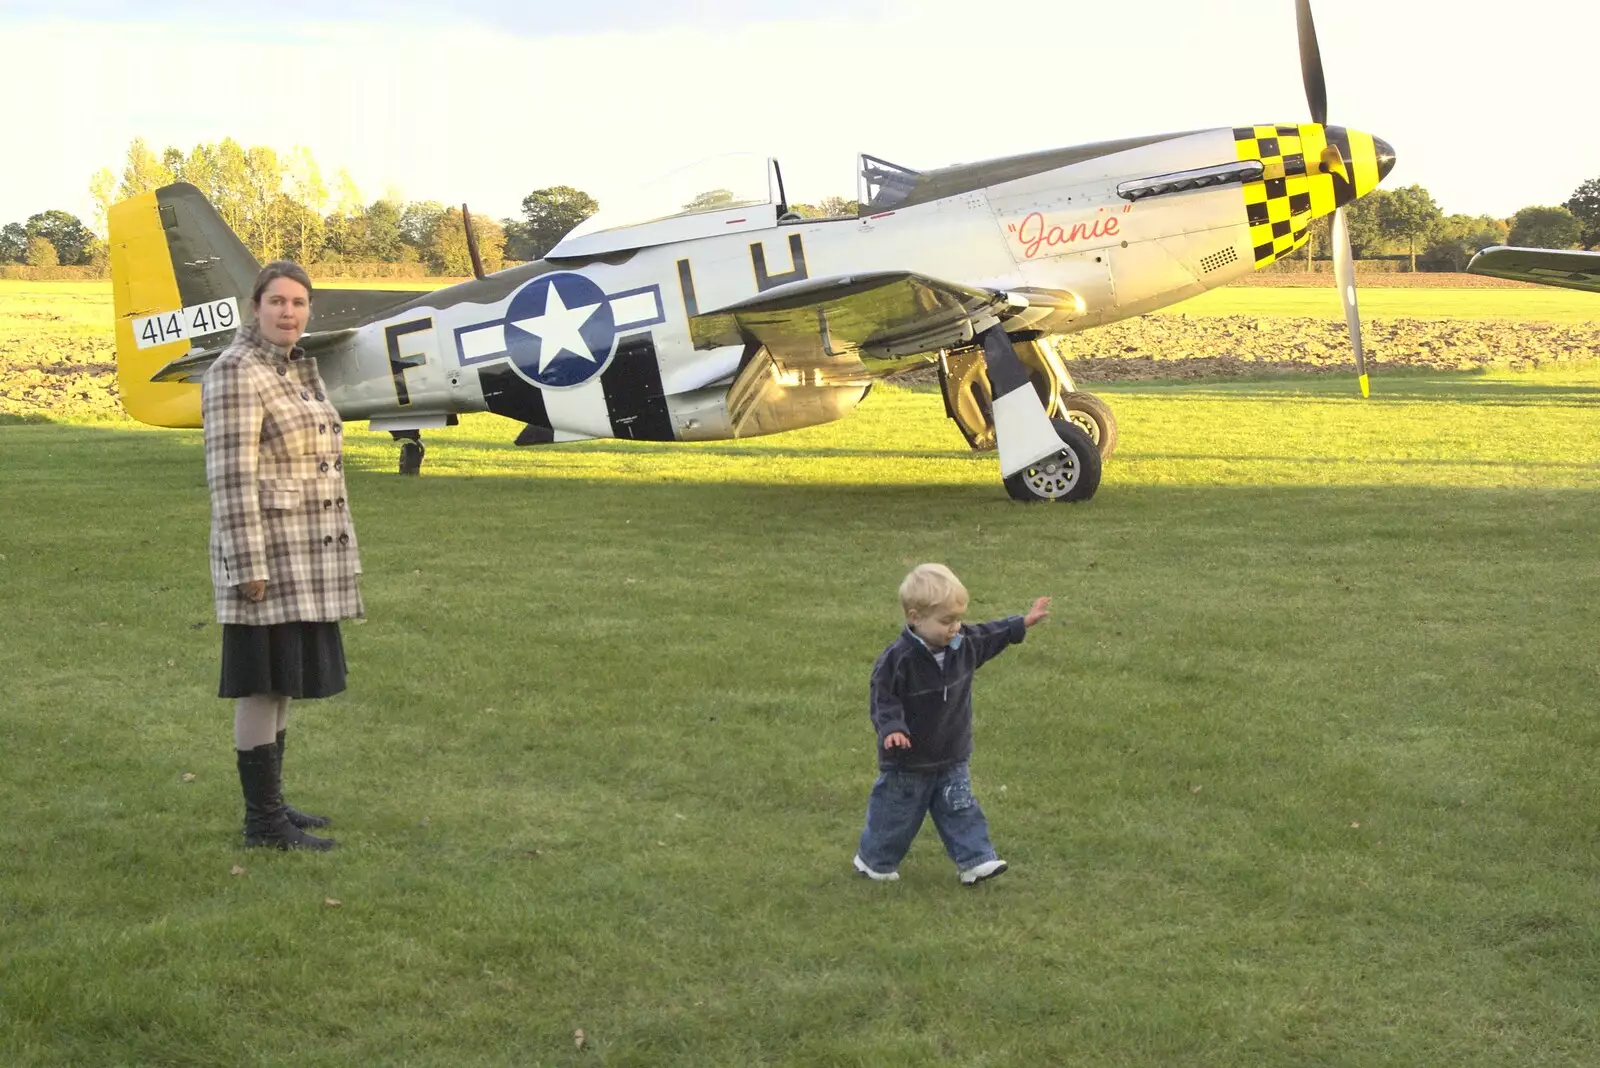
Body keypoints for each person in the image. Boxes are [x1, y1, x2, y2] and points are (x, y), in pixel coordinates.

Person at [202, 260, 363, 851]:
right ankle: (263, 823)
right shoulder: (236, 372)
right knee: (260, 685)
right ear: (256, 306)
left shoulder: (294, 368)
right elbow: (230, 477)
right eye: (277, 302)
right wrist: (249, 566)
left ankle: (274, 804)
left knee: (284, 681)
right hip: (267, 555)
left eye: (298, 302)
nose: (288, 312)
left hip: (306, 556)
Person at [853, 563, 1049, 885]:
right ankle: (874, 861)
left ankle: (976, 861)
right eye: (946, 621)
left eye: (958, 619)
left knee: (960, 809)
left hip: (952, 753)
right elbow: (883, 698)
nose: (955, 627)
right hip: (908, 761)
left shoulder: (963, 644)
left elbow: (991, 634)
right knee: (895, 816)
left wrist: (1022, 623)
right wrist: (893, 729)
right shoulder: (897, 660)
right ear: (915, 618)